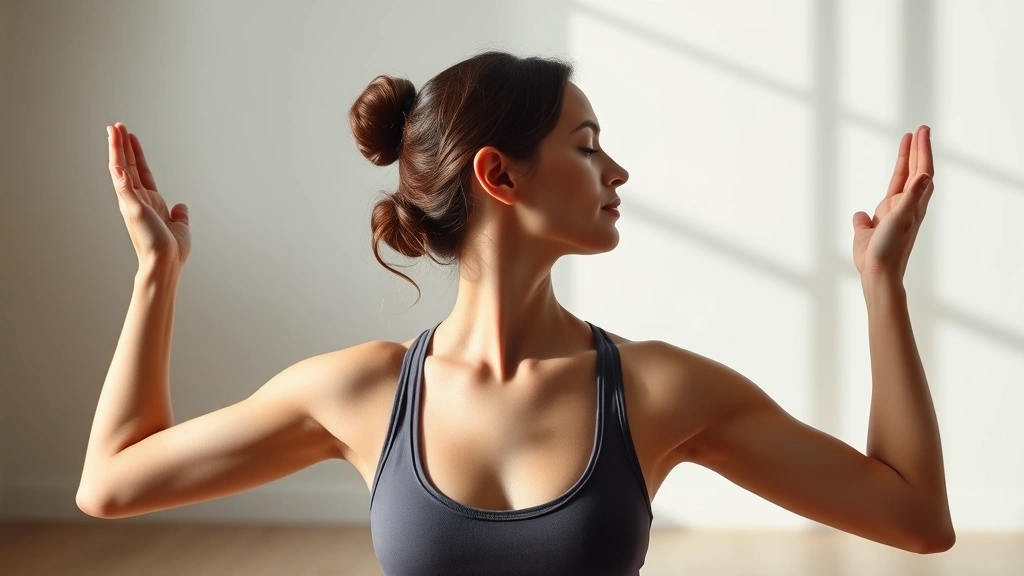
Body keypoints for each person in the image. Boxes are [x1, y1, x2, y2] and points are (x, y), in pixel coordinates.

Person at [77, 50, 954, 574]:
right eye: (586, 146)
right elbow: (111, 484)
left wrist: (884, 287)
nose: (617, 172)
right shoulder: (365, 391)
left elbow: (915, 520)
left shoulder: (659, 391)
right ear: (499, 175)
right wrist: (158, 272)